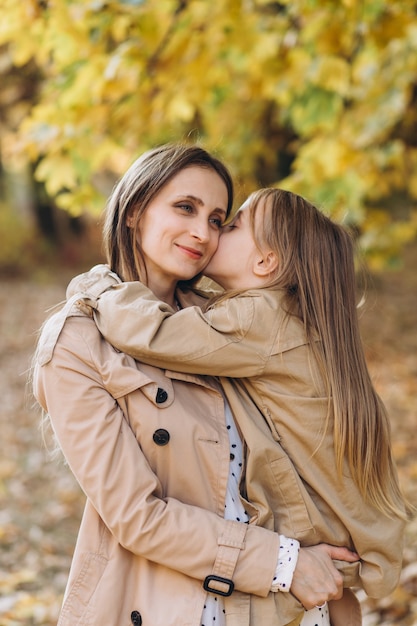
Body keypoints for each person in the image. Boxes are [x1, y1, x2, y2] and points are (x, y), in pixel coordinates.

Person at [32, 145, 359, 626]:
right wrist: (282, 563)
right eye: (185, 208)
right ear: (135, 210)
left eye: (218, 219)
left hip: (290, 604)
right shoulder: (78, 341)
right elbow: (137, 517)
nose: (202, 232)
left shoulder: (226, 323)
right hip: (176, 603)